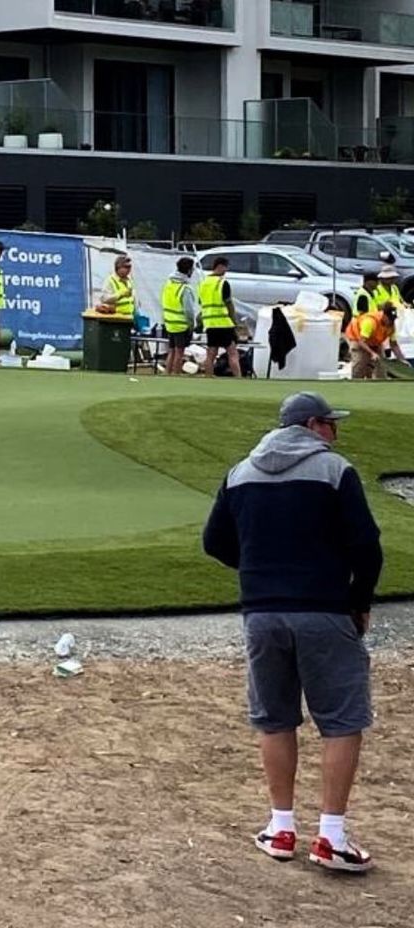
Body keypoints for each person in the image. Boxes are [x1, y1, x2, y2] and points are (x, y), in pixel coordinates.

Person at [203, 392, 383, 873]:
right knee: (343, 720)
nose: (335, 433)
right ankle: (331, 836)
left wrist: (261, 569)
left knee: (274, 717)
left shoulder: (241, 472)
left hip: (262, 613)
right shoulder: (334, 471)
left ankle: (281, 826)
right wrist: (359, 600)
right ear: (313, 425)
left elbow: (214, 541)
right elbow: (367, 545)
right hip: (324, 608)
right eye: (330, 423)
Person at [198, 256, 241, 378]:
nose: (226, 271)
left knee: (211, 353)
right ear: (220, 266)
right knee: (232, 352)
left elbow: (201, 303)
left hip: (210, 323)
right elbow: (229, 304)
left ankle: (208, 377)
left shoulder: (203, 283)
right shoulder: (222, 283)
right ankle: (239, 378)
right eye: (225, 267)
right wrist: (234, 322)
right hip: (223, 323)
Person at [346, 302, 407, 380]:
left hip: (375, 342)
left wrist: (402, 359)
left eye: (393, 319)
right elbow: (361, 341)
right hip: (358, 340)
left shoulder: (391, 326)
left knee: (381, 364)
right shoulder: (370, 322)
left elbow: (394, 344)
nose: (391, 322)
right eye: (389, 319)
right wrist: (372, 353)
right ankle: (356, 383)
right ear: (384, 315)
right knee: (360, 363)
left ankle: (380, 381)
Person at [161, 257, 198, 376]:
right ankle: (176, 374)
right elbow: (189, 310)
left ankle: (167, 372)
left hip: (169, 322)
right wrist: (192, 325)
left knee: (171, 350)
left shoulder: (169, 283)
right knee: (179, 352)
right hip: (181, 324)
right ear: (189, 270)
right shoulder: (185, 288)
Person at [98, 254, 137, 319]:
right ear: (118, 267)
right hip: (116, 318)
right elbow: (104, 298)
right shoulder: (110, 281)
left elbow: (133, 299)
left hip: (129, 317)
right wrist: (120, 294)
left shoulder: (129, 280)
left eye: (130, 267)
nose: (129, 269)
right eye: (126, 267)